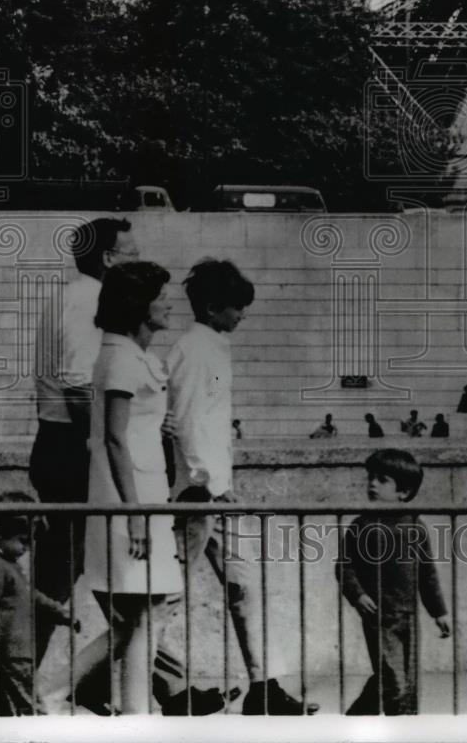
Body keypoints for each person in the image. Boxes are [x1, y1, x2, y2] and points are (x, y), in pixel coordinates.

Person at [165, 258, 314, 715]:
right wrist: (207, 482)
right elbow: (189, 423)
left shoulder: (209, 348)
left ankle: (263, 685)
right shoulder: (196, 351)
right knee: (163, 598)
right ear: (213, 308)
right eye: (237, 308)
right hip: (199, 495)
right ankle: (113, 683)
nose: (242, 316)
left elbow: (204, 422)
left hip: (214, 492)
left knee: (244, 587)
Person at [30, 217, 139, 667]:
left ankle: (166, 684)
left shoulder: (72, 296)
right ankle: (9, 689)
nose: (140, 261)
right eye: (133, 254)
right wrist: (105, 445)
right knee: (67, 573)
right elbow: (78, 386)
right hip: (71, 448)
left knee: (85, 568)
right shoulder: (86, 301)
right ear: (109, 259)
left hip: (62, 444)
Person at [75, 262, 183, 715]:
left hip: (141, 497)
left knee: (142, 613)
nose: (169, 304)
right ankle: (124, 711)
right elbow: (115, 439)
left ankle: (58, 691)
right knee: (141, 612)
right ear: (139, 306)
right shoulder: (119, 357)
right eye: (161, 297)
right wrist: (135, 514)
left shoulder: (130, 355)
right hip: (129, 502)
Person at [336, 450, 450, 715]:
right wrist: (358, 595)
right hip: (379, 617)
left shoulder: (415, 526)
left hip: (407, 617)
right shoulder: (361, 525)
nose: (372, 484)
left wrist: (439, 612)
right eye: (370, 478)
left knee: (403, 680)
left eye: (382, 479)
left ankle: (362, 719)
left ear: (404, 491)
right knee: (394, 682)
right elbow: (344, 566)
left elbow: (427, 574)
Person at [0, 492, 78, 716]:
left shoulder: (9, 564)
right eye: (23, 541)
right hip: (9, 655)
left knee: (6, 705)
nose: (27, 548)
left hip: (18, 652)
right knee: (30, 705)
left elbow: (31, 595)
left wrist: (61, 613)